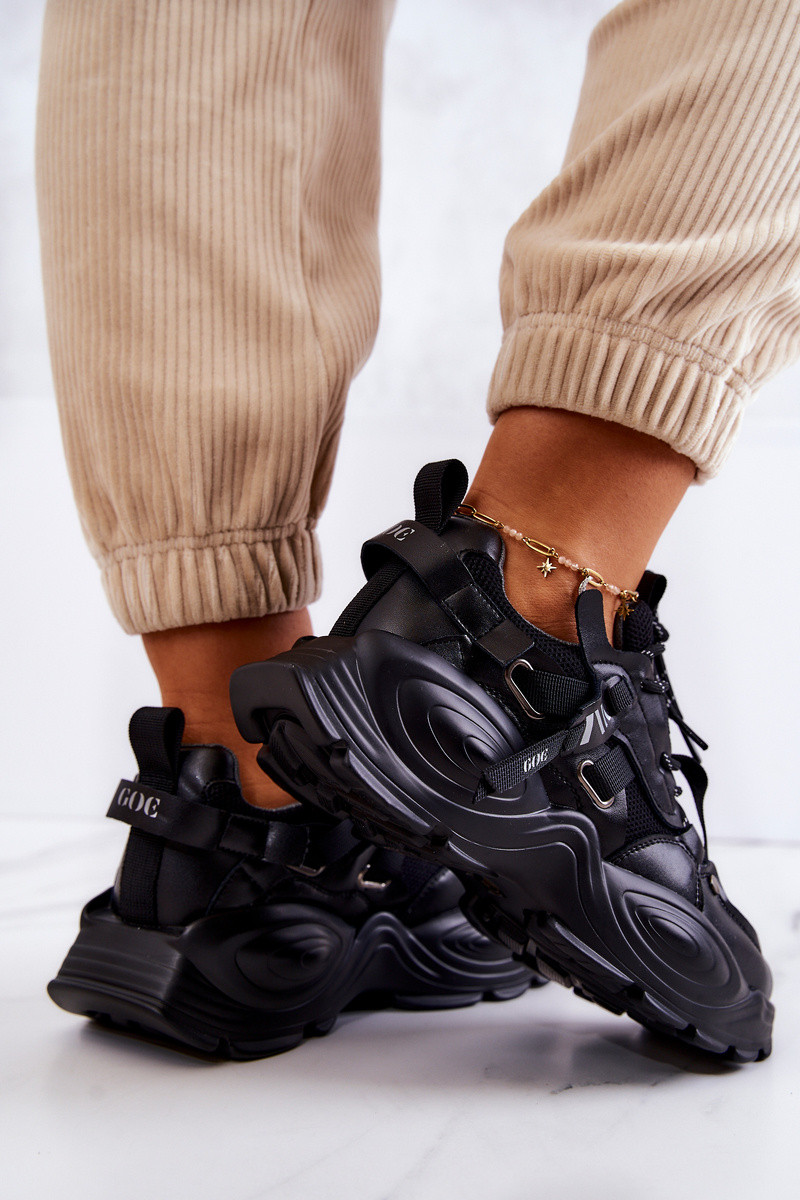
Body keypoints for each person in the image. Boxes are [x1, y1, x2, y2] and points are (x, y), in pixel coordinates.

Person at [38, 0, 795, 1061]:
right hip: (514, 677)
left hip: (212, 824)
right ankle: (531, 627)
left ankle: (242, 816)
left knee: (199, 23)